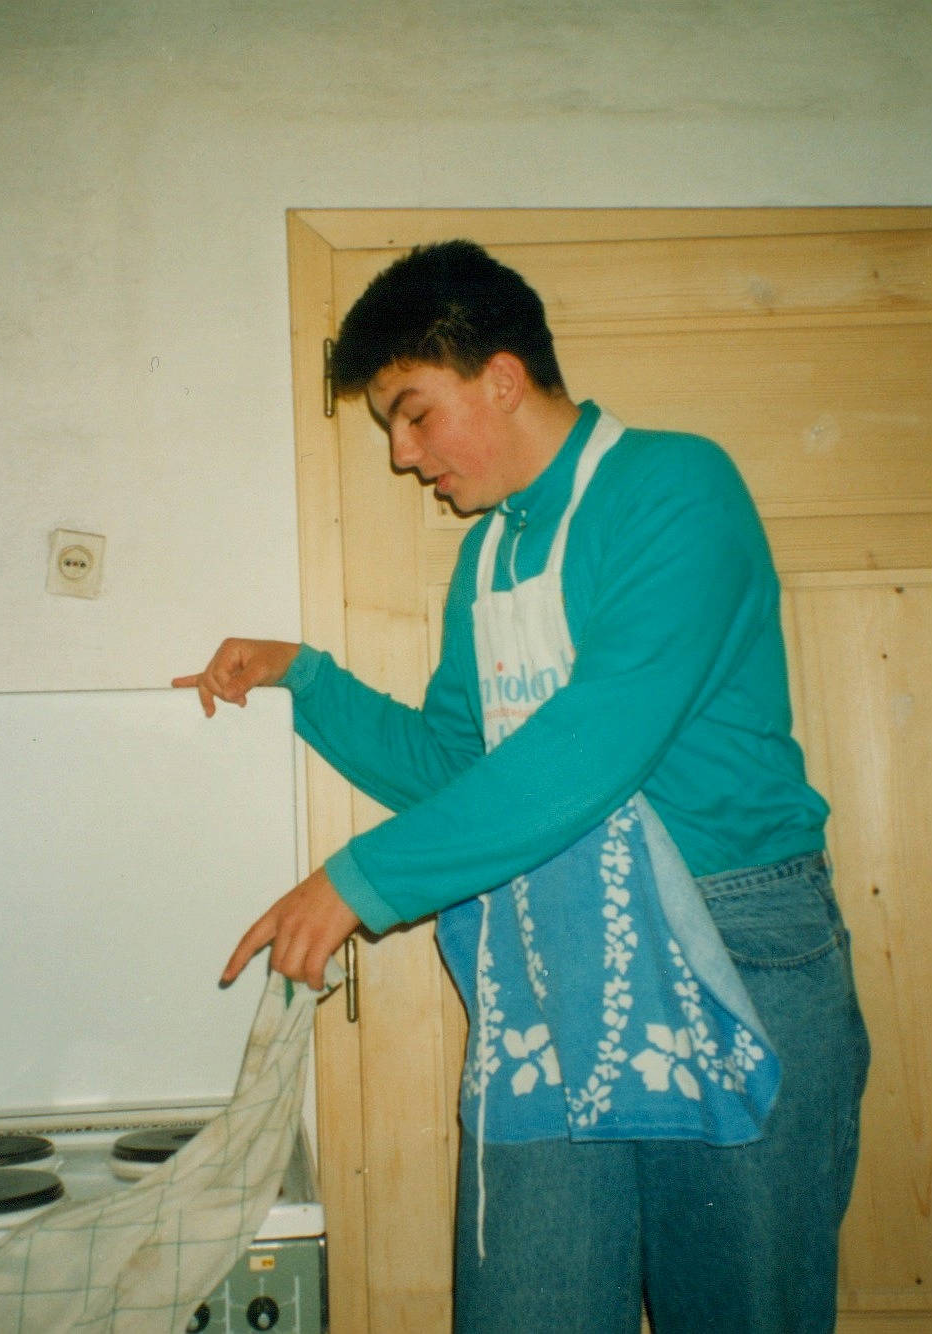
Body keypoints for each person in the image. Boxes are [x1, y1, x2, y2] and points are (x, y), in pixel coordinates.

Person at [173, 240, 869, 1334]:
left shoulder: (675, 488)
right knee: (529, 1305)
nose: (402, 456)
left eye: (413, 414)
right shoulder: (487, 559)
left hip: (735, 945)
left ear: (500, 377)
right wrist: (304, 677)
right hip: (555, 968)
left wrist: (356, 880)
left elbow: (596, 745)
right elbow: (457, 768)